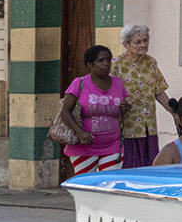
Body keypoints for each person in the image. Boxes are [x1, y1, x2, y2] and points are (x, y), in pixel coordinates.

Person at [54, 46, 129, 176]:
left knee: (110, 184)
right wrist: (80, 132)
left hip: (113, 145)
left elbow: (122, 109)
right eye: (101, 61)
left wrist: (125, 107)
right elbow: (65, 112)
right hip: (84, 147)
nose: (106, 64)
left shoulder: (118, 83)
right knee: (86, 184)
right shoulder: (79, 83)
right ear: (90, 64)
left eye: (108, 60)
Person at [115, 23, 177, 168]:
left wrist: (174, 113)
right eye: (138, 42)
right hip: (127, 127)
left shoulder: (151, 63)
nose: (143, 45)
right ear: (126, 44)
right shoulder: (116, 64)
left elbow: (159, 92)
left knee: (150, 164)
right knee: (129, 166)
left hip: (148, 126)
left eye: (145, 40)